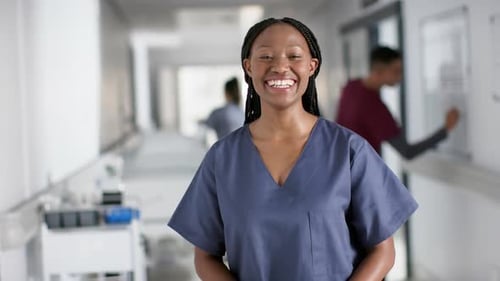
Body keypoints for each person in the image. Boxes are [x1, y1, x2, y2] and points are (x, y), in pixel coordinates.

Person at [168, 18, 418, 281]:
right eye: (265, 56)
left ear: (312, 66)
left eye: (294, 56)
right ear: (248, 67)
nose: (280, 66)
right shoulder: (222, 159)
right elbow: (205, 256)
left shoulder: (349, 151)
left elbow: (383, 250)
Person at [336, 46, 460, 159]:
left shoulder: (350, 87)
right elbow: (408, 152)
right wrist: (446, 128)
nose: (400, 77)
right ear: (379, 70)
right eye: (396, 71)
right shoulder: (375, 108)